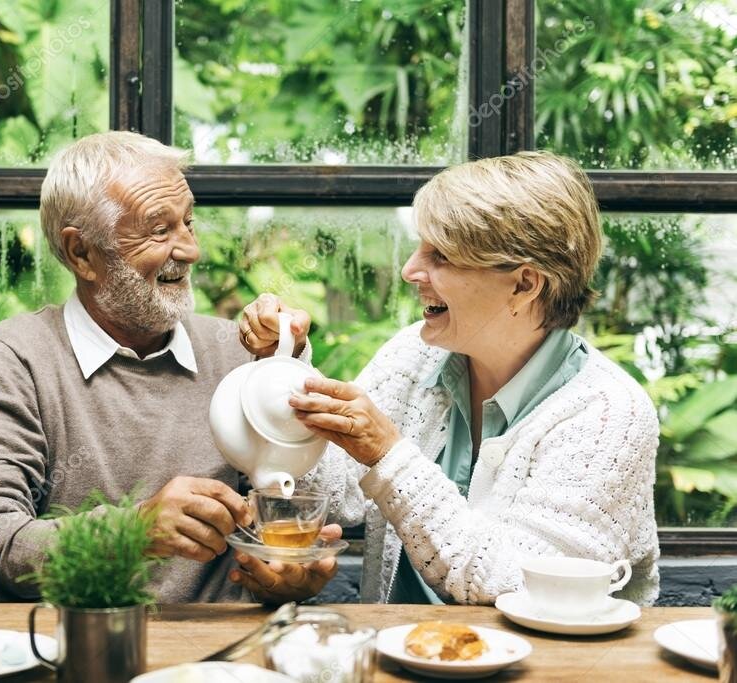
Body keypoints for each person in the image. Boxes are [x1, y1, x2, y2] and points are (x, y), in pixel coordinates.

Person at [237, 151, 660, 605]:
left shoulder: (609, 413)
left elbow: (520, 586)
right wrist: (283, 369)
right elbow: (330, 494)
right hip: (398, 657)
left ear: (524, 284)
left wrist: (388, 455)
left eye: (439, 256)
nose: (410, 271)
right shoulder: (413, 355)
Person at [0, 131, 338, 604]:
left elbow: (286, 523)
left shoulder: (239, 353)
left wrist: (289, 579)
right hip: (85, 654)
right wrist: (132, 533)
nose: (189, 250)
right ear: (81, 254)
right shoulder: (19, 358)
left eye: (188, 223)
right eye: (158, 229)